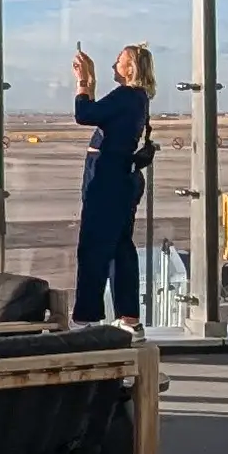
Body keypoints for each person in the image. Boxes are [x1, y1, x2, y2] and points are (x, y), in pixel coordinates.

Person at [70, 44, 154, 328]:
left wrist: (84, 81)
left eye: (118, 61)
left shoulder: (126, 95)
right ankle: (128, 317)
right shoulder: (138, 98)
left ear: (130, 68)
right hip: (121, 179)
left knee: (94, 246)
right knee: (119, 248)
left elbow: (85, 114)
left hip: (108, 180)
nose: (113, 66)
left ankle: (86, 318)